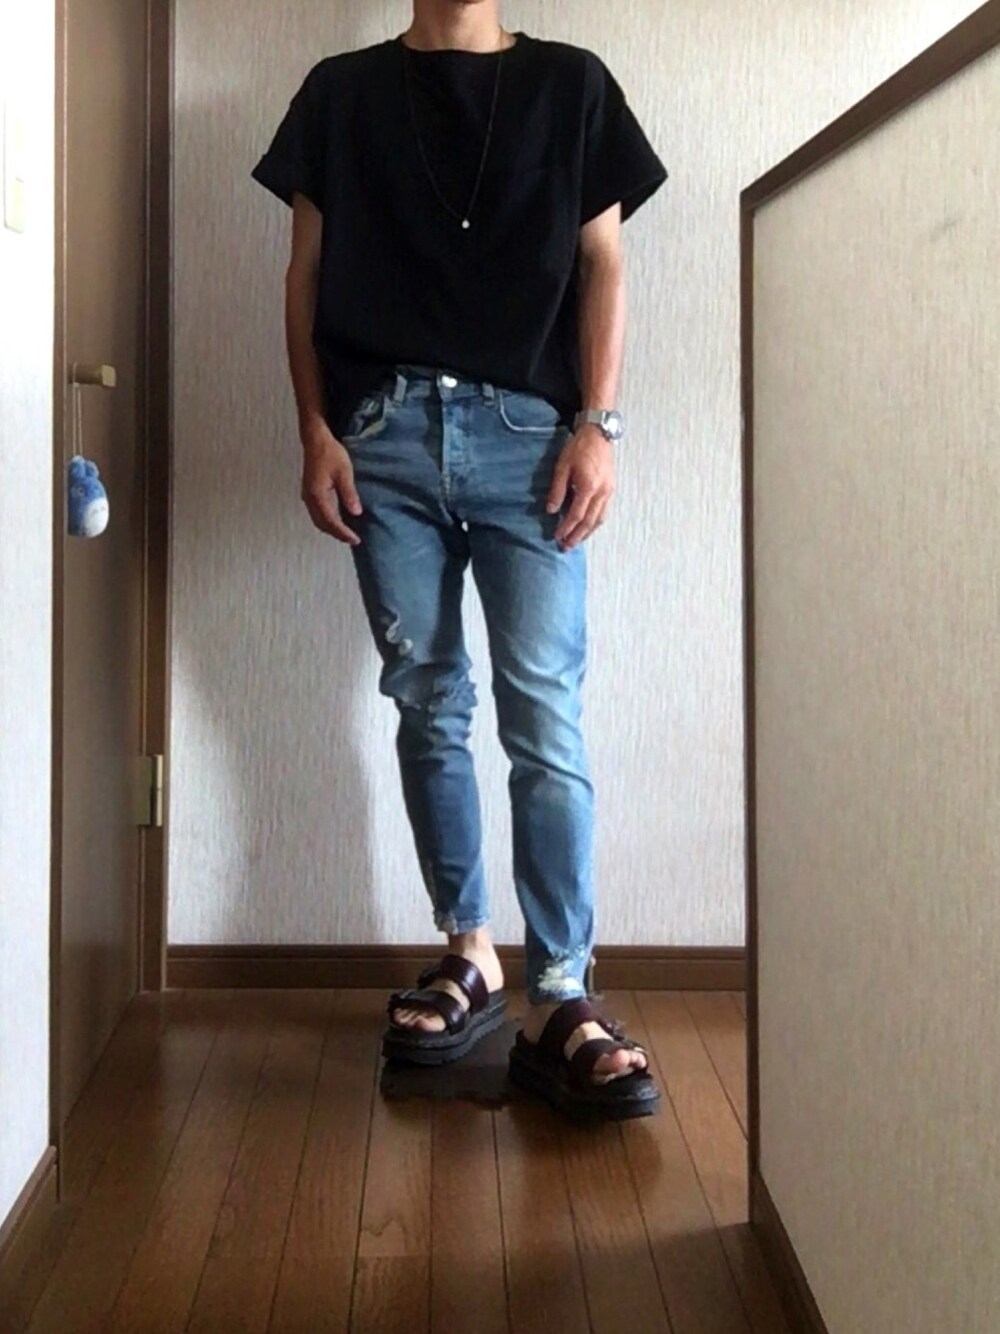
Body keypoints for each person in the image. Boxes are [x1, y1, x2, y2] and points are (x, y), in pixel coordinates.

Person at [252, 0, 667, 1120]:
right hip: (380, 441)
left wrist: (599, 426)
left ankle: (563, 994)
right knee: (427, 698)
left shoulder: (573, 85)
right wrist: (314, 430)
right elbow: (302, 275)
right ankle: (470, 951)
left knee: (544, 715)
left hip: (533, 441)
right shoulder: (338, 94)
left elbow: (603, 261)